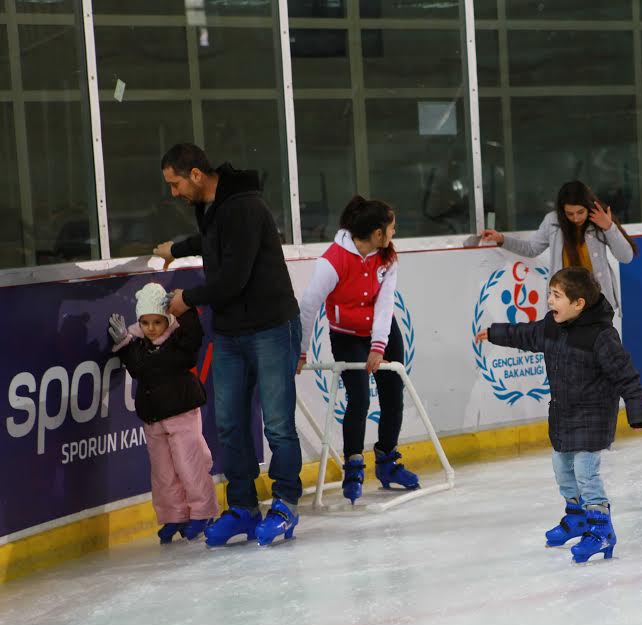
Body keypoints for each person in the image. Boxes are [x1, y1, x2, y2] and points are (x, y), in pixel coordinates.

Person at [153, 143, 302, 547]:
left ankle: (285, 503)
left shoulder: (245, 206)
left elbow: (233, 277)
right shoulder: (213, 207)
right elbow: (213, 241)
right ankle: (242, 507)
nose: (174, 193)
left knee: (277, 424)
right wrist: (177, 249)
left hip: (272, 327)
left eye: (175, 183)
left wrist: (189, 299)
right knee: (230, 424)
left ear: (196, 175)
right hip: (233, 333)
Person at [475, 267, 642, 563]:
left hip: (593, 415)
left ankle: (601, 528)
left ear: (578, 303)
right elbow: (526, 334)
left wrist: (637, 410)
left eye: (556, 296)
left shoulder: (602, 336)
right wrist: (496, 333)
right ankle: (578, 517)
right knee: (562, 469)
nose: (549, 302)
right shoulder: (551, 326)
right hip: (563, 413)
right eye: (549, 295)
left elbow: (626, 375)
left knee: (585, 472)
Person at [297, 197, 419, 501]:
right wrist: (299, 351)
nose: (394, 233)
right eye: (391, 228)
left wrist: (379, 345)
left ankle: (388, 461)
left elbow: (385, 303)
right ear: (377, 233)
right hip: (347, 336)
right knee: (360, 399)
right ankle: (353, 464)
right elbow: (308, 306)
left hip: (383, 331)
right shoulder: (333, 261)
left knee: (393, 396)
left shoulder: (387, 257)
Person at [108, 282, 219, 543]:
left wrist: (185, 311)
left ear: (167, 320)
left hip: (181, 413)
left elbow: (193, 339)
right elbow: (136, 368)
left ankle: (202, 512)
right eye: (145, 323)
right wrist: (124, 342)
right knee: (163, 473)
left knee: (189, 464)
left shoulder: (179, 342)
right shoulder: (141, 347)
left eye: (157, 322)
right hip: (154, 418)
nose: (151, 328)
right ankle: (173, 515)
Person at [480, 180, 637, 314]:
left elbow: (626, 257)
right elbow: (531, 249)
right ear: (562, 211)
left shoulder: (599, 220)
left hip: (596, 302)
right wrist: (501, 239)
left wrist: (609, 227)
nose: (575, 218)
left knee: (595, 348)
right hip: (565, 302)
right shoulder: (553, 222)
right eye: (569, 213)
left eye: (580, 212)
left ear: (588, 207)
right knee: (566, 348)